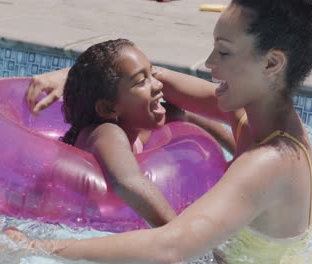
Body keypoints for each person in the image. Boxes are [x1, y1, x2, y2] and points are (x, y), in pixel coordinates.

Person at [6, 0, 312, 262]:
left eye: (223, 52)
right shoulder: (264, 118)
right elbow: (149, 77)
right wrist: (69, 77)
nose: (208, 63)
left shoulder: (269, 161)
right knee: (178, 112)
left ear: (271, 63)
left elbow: (172, 247)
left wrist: (35, 248)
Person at [48, 38, 234, 229]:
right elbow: (128, 182)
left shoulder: (135, 131)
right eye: (141, 81)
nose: (158, 85)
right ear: (108, 108)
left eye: (152, 74)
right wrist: (179, 234)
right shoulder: (105, 133)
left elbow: (185, 115)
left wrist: (239, 156)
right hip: (71, 226)